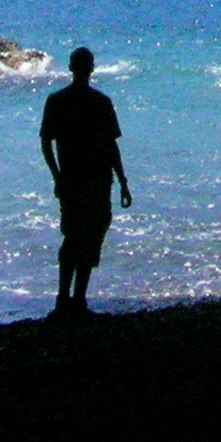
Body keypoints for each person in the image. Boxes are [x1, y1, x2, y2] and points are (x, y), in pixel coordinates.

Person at [39, 46, 130, 316]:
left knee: (74, 237)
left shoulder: (57, 101)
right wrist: (123, 181)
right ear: (91, 68)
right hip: (96, 180)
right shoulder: (100, 102)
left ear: (70, 67)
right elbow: (112, 147)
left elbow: (46, 143)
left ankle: (66, 300)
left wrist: (57, 177)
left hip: (74, 180)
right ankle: (75, 300)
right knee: (89, 238)